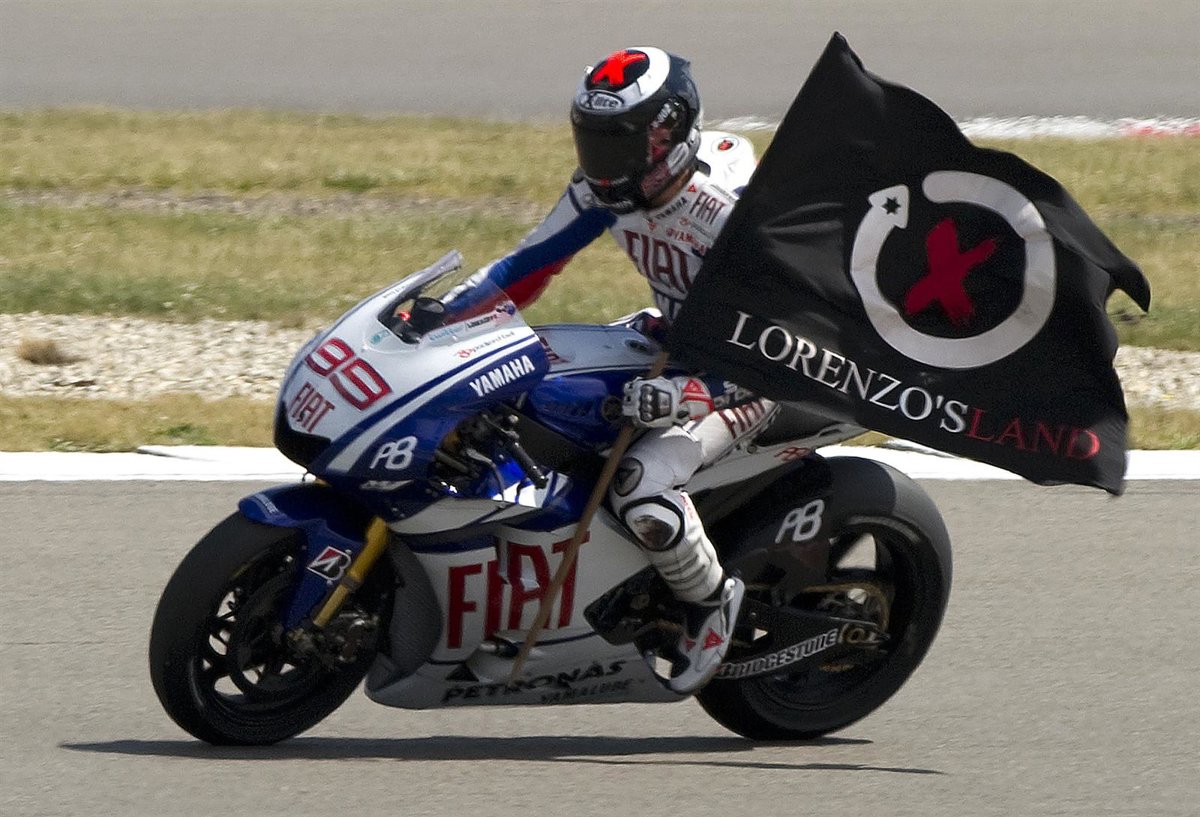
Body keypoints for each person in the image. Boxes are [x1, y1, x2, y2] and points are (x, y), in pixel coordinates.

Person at [452, 46, 776, 693]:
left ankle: (710, 604)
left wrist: (689, 393)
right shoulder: (611, 188)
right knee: (519, 377)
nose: (604, 165)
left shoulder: (730, 212)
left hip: (752, 375)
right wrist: (441, 316)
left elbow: (783, 344)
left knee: (637, 484)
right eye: (594, 142)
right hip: (669, 339)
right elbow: (527, 267)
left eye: (621, 144)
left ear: (669, 137)